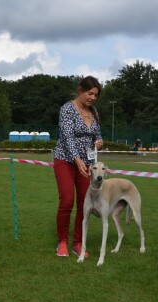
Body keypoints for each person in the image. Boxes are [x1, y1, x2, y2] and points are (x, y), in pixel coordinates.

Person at [53, 76, 103, 257]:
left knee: (84, 204)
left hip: (87, 164)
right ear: (80, 90)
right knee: (67, 201)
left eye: (96, 95)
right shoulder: (67, 109)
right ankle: (62, 242)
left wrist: (99, 142)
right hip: (65, 160)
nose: (92, 98)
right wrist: (76, 159)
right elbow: (67, 137)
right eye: (90, 93)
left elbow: (97, 135)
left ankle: (78, 243)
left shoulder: (94, 112)